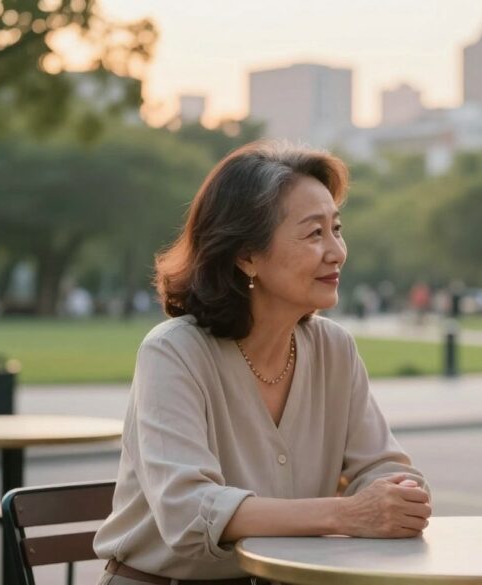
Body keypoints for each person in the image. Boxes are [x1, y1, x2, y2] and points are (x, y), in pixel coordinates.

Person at [94, 142, 431, 584]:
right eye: (314, 234)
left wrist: (395, 495)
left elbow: (383, 468)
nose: (337, 251)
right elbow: (189, 510)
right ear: (247, 256)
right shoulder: (173, 353)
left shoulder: (335, 349)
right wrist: (348, 514)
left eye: (337, 228)